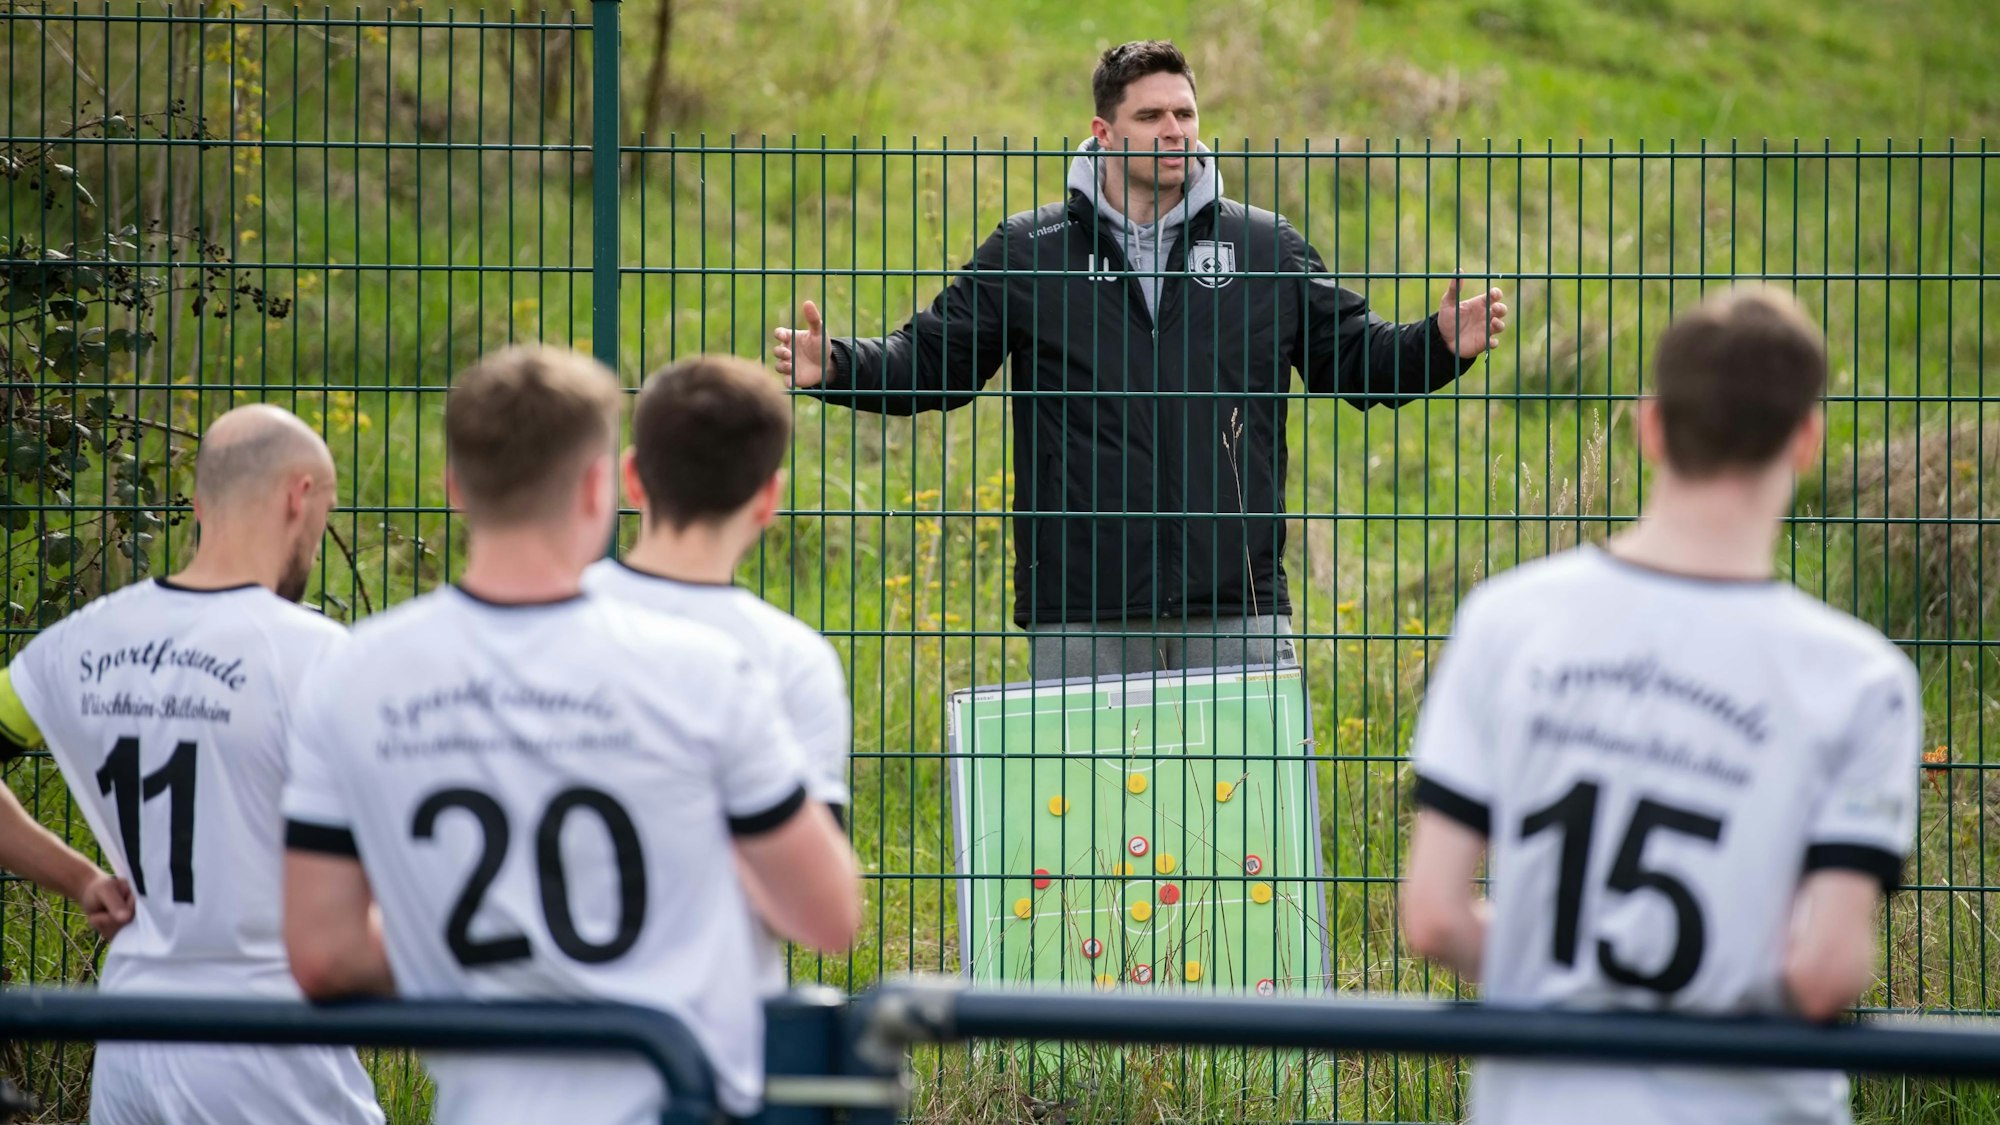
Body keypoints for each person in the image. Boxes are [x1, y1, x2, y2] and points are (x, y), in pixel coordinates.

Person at [772, 39, 1507, 679]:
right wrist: (837, 364)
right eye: (1150, 117)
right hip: (1083, 602)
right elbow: (935, 362)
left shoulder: (1264, 248)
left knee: (1244, 824)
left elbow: (1355, 359)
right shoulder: (1031, 253)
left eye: (1185, 114)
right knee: (1087, 828)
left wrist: (1438, 344)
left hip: (1234, 598)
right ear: (1103, 131)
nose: (1174, 131)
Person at [280, 345, 862, 1125]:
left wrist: (488, 938)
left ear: (453, 487)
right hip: (680, 1096)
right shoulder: (706, 670)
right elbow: (828, 915)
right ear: (600, 486)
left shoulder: (350, 676)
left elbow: (322, 954)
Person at [1399, 286, 1919, 1125]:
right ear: (1808, 440)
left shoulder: (1508, 619)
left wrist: (1572, 979)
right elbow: (1827, 971)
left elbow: (1433, 916)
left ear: (1649, 426)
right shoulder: (1860, 679)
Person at [0, 404, 383, 1125]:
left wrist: (78, 876)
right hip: (266, 1040)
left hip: (131, 1028)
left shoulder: (75, 643)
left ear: (202, 503)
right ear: (300, 496)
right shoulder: (317, 654)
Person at [582, 355, 852, 994]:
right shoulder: (791, 658)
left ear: (631, 478)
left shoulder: (544, 624)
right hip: (710, 1034)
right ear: (769, 498)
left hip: (533, 1033)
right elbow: (816, 913)